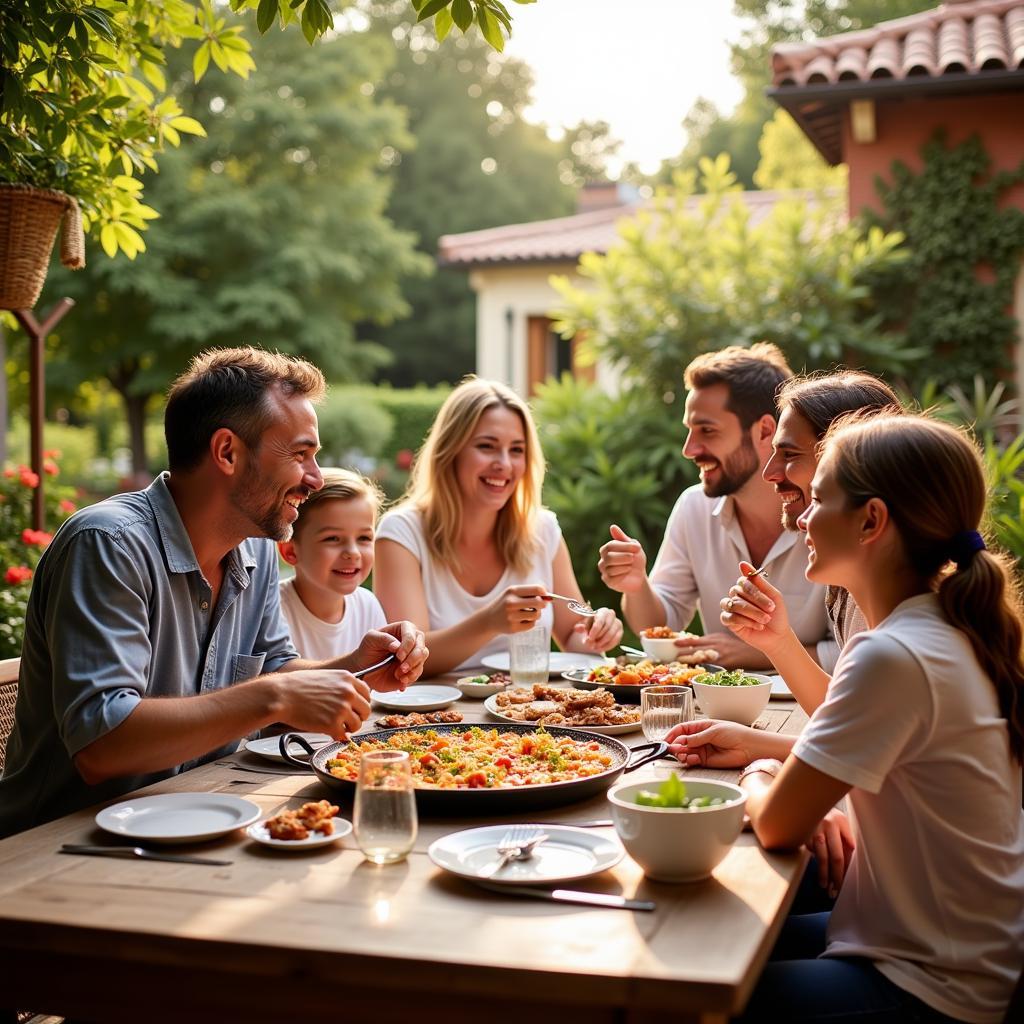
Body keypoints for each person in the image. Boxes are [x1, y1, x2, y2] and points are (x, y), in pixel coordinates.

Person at [674, 413, 1024, 1023]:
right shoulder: (947, 627)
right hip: (933, 946)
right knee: (694, 939)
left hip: (928, 982)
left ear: (872, 521)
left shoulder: (895, 653)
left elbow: (780, 826)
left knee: (681, 990)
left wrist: (759, 768)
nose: (803, 518)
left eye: (820, 500)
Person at [0, 347, 426, 838]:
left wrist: (356, 664)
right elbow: (103, 743)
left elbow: (274, 669)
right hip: (57, 849)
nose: (314, 478)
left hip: (201, 820)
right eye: (301, 454)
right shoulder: (107, 545)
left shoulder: (256, 547)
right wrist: (274, 696)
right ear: (227, 452)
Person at [597, 343, 830, 669]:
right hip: (719, 703)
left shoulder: (828, 514)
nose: (689, 450)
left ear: (765, 431)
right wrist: (636, 586)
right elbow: (660, 626)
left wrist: (755, 653)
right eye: (689, 431)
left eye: (707, 430)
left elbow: (855, 649)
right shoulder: (694, 506)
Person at [374, 377, 623, 674]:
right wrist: (488, 622)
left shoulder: (542, 529)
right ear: (450, 451)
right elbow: (406, 658)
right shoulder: (401, 533)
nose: (504, 464)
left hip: (521, 709)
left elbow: (573, 635)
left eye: (517, 450)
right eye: (487, 446)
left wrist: (597, 632)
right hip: (432, 715)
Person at [720, 370, 902, 697]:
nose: (769, 472)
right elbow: (849, 720)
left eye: (789, 454)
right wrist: (779, 643)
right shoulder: (864, 582)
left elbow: (851, 741)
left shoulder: (900, 613)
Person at [278, 468, 387, 660]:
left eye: (364, 537)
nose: (352, 553)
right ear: (290, 551)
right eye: (333, 538)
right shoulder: (275, 611)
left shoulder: (368, 606)